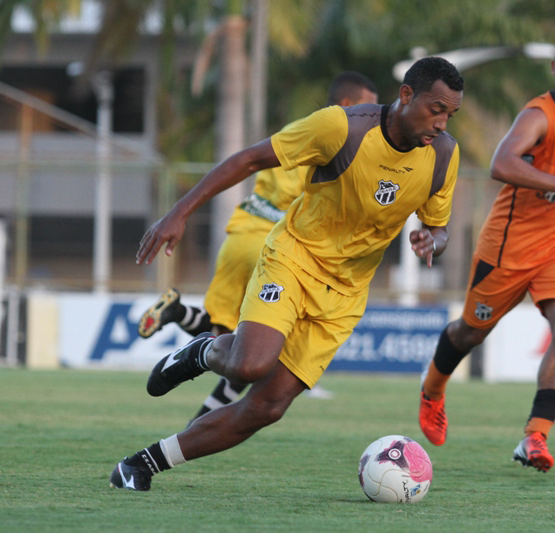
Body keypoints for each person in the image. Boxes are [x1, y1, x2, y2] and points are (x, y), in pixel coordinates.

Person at [110, 56, 464, 491]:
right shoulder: (342, 128)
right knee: (249, 366)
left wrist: (434, 240)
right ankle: (203, 351)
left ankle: (140, 465)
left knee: (268, 407)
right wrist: (178, 212)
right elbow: (249, 159)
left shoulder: (444, 155)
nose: (443, 123)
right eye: (436, 109)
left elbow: (439, 224)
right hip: (294, 259)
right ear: (406, 95)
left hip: (346, 295)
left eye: (451, 114)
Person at [418, 27, 555, 473]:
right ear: (554, 66)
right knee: (470, 333)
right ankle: (433, 390)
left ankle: (535, 436)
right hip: (509, 248)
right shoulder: (538, 115)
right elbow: (502, 163)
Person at [137, 72, 378, 416]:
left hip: (240, 234)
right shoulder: (338, 139)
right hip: (277, 246)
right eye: (369, 107)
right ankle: (204, 420)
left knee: (223, 329)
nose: (375, 116)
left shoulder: (298, 129)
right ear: (347, 104)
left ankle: (177, 312)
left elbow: (251, 161)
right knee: (258, 348)